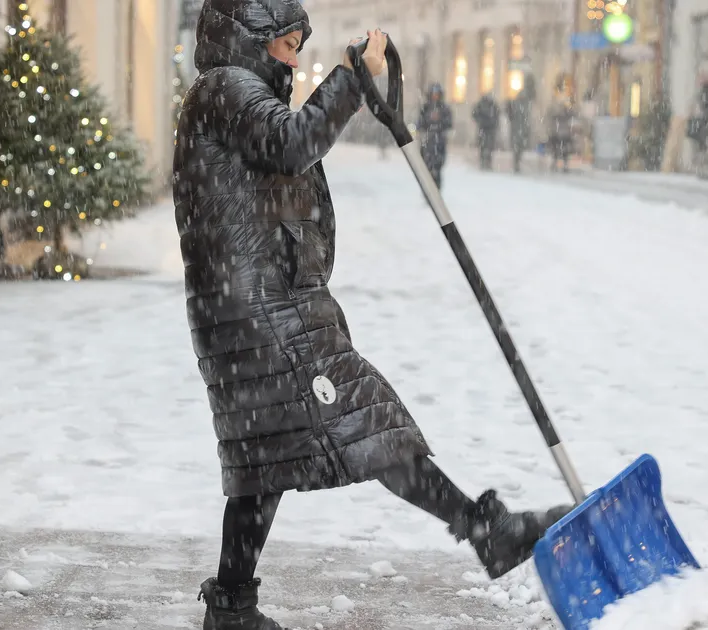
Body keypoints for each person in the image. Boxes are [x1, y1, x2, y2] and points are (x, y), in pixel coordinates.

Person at [173, 1, 572, 628]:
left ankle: (231, 606)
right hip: (263, 311)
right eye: (284, 44)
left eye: (299, 43)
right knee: (366, 419)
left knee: (264, 454)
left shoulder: (230, 91)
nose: (295, 55)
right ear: (248, 39)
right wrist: (353, 77)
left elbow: (287, 159)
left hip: (253, 306)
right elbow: (292, 144)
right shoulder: (227, 88)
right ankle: (482, 529)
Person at [416, 83, 454, 188]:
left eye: (437, 94)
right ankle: (427, 190)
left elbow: (449, 123)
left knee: (437, 167)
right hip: (427, 142)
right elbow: (420, 123)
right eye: (433, 94)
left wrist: (439, 124)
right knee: (427, 168)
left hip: (439, 142)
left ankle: (437, 188)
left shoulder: (444, 108)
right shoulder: (426, 107)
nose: (435, 96)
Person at [506, 82, 534, 173]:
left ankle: (517, 161)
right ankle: (516, 162)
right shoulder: (516, 104)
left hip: (521, 129)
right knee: (517, 147)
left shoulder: (526, 105)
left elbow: (527, 117)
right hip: (517, 129)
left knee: (520, 147)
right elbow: (510, 114)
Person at [472, 93, 500, 170]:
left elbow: (497, 114)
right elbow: (474, 114)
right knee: (483, 146)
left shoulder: (492, 105)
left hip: (490, 129)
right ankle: (483, 162)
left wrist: (493, 122)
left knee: (489, 146)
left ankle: (487, 162)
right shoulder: (481, 104)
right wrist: (481, 121)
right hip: (483, 128)